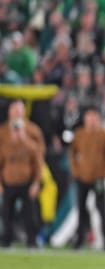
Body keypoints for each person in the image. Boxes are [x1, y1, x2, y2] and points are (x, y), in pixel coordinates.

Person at [0, 100, 43, 248]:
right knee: (6, 214)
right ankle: (6, 241)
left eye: (20, 110)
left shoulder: (33, 130)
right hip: (8, 178)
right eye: (14, 110)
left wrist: (37, 182)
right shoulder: (3, 131)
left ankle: (32, 241)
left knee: (30, 214)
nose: (17, 113)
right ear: (9, 112)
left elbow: (39, 157)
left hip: (27, 178)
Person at [69, 108, 105, 250]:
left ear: (98, 119)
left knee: (102, 210)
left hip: (98, 178)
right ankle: (80, 241)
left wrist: (104, 172)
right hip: (82, 177)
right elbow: (72, 154)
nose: (92, 121)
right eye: (89, 118)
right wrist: (76, 171)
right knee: (81, 210)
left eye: (95, 118)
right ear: (85, 119)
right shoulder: (79, 134)